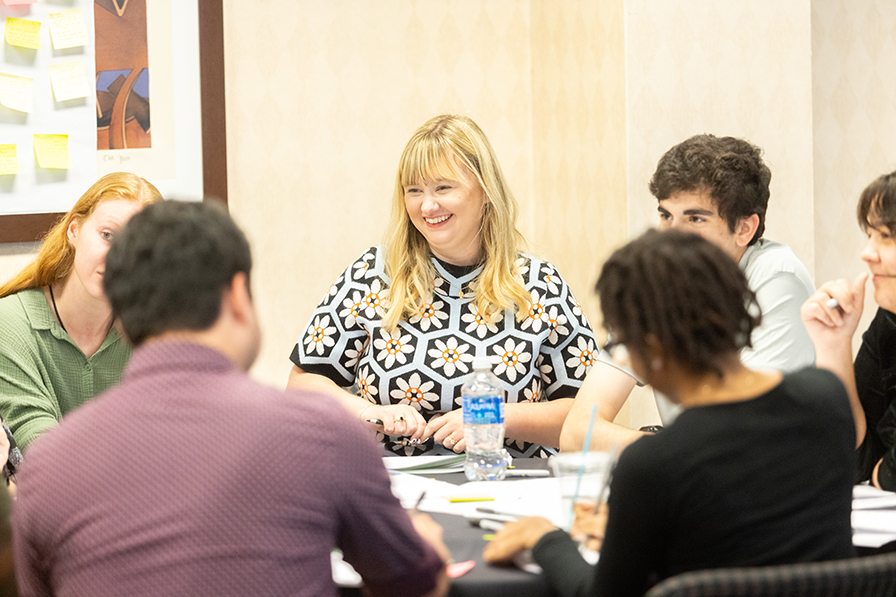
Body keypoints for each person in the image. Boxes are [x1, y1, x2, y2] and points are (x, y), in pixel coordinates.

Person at [12, 200, 449, 597]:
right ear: (238, 295)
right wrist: (424, 547)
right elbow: (414, 585)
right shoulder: (323, 434)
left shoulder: (47, 467)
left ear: (123, 319)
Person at [484, 229, 856, 597]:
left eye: (621, 343)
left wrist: (545, 538)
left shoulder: (654, 465)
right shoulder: (826, 400)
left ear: (652, 348)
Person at [288, 114, 597, 457]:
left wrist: (493, 417)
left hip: (508, 488)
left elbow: (590, 415)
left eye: (443, 188)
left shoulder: (539, 285)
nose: (427, 206)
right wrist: (369, 411)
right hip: (390, 491)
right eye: (414, 191)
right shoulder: (372, 273)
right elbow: (302, 384)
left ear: (485, 190)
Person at [560, 134, 815, 452]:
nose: (672, 236)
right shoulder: (653, 282)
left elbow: (744, 437)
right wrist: (674, 452)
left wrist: (667, 453)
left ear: (744, 229)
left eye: (695, 218)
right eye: (666, 216)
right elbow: (576, 433)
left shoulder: (776, 276)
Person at [0, 172, 162, 451]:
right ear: (73, 230)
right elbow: (41, 451)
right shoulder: (10, 321)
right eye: (108, 235)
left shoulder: (154, 333)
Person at [802, 170, 896, 491]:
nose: (868, 253)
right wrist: (834, 344)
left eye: (887, 236)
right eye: (870, 235)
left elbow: (889, 476)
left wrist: (883, 471)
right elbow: (846, 457)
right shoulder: (889, 322)